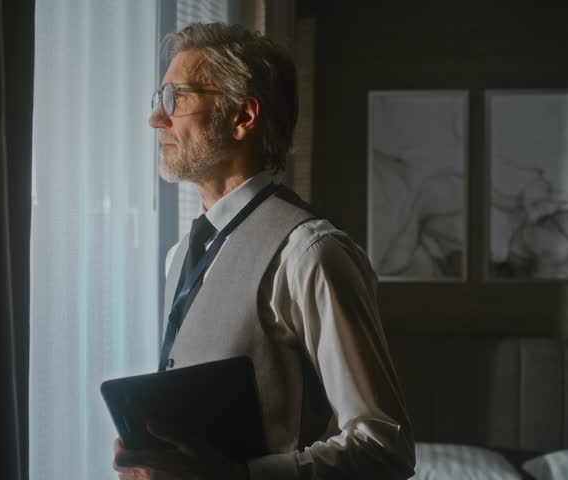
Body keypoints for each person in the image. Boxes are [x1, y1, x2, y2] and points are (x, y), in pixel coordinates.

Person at [112, 22, 415, 480]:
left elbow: (384, 447)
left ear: (242, 117)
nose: (157, 117)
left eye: (177, 98)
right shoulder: (181, 255)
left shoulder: (311, 253)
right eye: (159, 98)